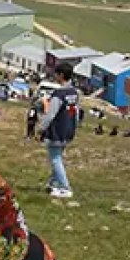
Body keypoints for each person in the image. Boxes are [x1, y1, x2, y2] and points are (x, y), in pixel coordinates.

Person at [36, 63, 78, 199]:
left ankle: (65, 187)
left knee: (55, 159)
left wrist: (41, 128)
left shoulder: (59, 94)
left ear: (61, 75)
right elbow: (73, 112)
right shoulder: (73, 93)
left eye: (56, 74)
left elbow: (50, 114)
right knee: (58, 156)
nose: (54, 76)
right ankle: (54, 183)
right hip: (68, 129)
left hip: (57, 130)